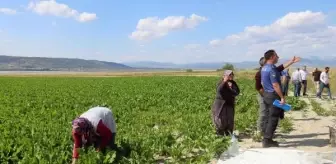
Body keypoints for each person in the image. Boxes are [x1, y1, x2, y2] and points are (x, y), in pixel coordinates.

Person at [255, 56, 299, 136]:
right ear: (264, 64)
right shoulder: (260, 73)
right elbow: (258, 87)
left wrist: (291, 61)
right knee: (264, 112)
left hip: (271, 95)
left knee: (271, 113)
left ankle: (267, 132)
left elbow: (281, 67)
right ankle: (260, 130)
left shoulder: (271, 69)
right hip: (264, 95)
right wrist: (265, 95)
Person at [260, 50, 287, 147]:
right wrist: (282, 97)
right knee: (273, 118)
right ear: (272, 57)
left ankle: (266, 138)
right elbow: (275, 85)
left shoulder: (264, 68)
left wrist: (291, 61)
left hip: (267, 94)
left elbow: (263, 83)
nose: (278, 57)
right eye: (276, 55)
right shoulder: (271, 69)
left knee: (268, 117)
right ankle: (267, 140)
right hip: (273, 96)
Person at [212, 70, 240, 136]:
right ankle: (220, 134)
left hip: (229, 104)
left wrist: (231, 89)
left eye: (232, 75)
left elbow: (237, 92)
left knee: (229, 119)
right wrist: (224, 81)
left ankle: (228, 133)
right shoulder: (221, 83)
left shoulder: (233, 83)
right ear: (224, 76)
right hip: (221, 104)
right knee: (220, 119)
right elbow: (219, 90)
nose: (231, 76)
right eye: (229, 75)